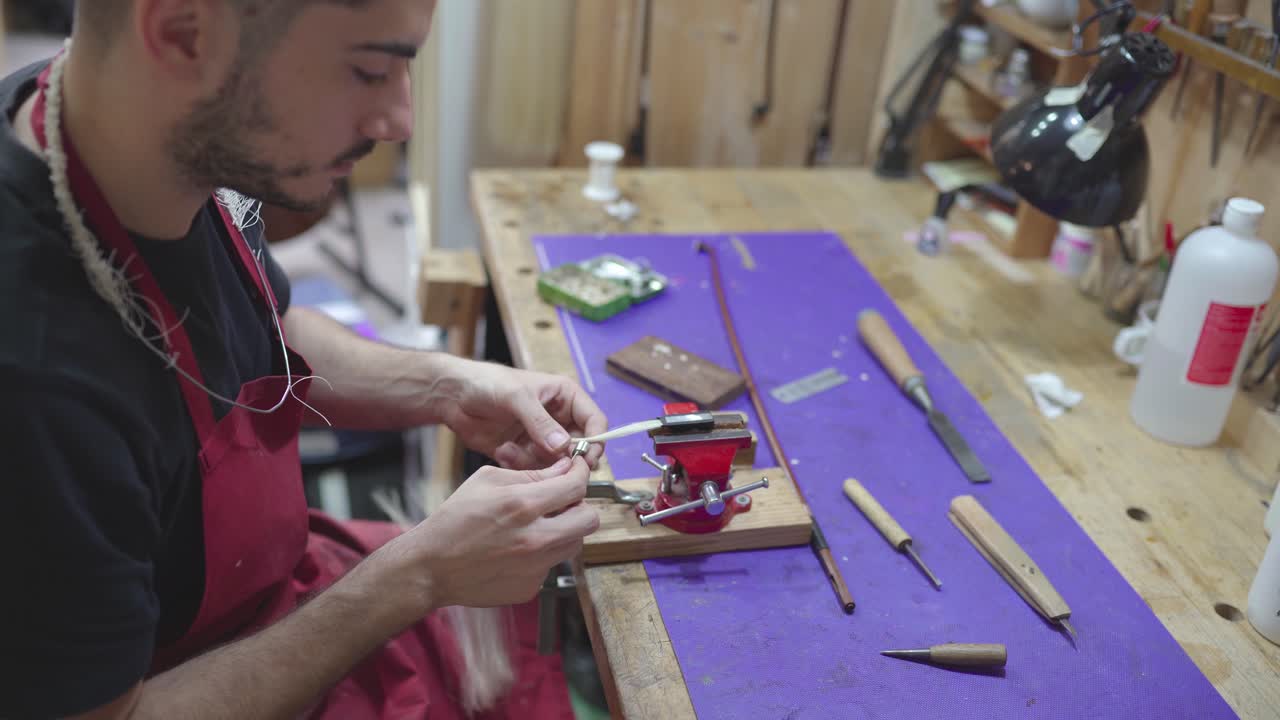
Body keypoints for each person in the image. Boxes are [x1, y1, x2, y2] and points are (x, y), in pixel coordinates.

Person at [0, 1, 607, 718]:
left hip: (285, 587)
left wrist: (447, 384)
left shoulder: (135, 129)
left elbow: (262, 327)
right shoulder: (35, 381)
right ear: (181, 34)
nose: (398, 120)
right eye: (369, 70)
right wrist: (414, 577)